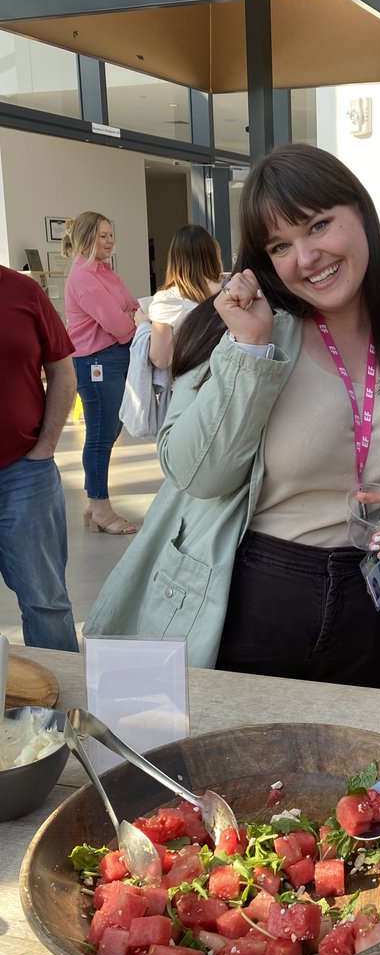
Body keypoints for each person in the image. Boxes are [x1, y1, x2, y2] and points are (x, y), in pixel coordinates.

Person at [84, 143, 380, 689]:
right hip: (254, 593)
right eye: (281, 244)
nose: (306, 257)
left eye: (318, 225)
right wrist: (251, 351)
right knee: (235, 771)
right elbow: (197, 473)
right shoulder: (238, 332)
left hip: (375, 598)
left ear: (362, 214)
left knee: (361, 768)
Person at [0, 265, 79, 652]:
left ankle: (62, 706)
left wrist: (46, 445)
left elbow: (62, 371)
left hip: (24, 473)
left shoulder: (24, 292)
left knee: (45, 601)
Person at [63, 210, 144, 534]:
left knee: (109, 431)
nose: (110, 241)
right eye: (103, 235)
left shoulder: (104, 271)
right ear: (85, 238)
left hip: (111, 358)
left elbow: (132, 305)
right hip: (96, 360)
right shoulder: (83, 277)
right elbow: (120, 325)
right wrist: (125, 319)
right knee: (100, 435)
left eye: (111, 235)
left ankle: (94, 502)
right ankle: (100, 508)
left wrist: (127, 315)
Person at [148, 224, 224, 371]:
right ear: (213, 254)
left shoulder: (167, 301)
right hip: (228, 381)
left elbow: (161, 359)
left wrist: (144, 326)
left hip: (191, 387)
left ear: (174, 259)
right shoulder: (229, 292)